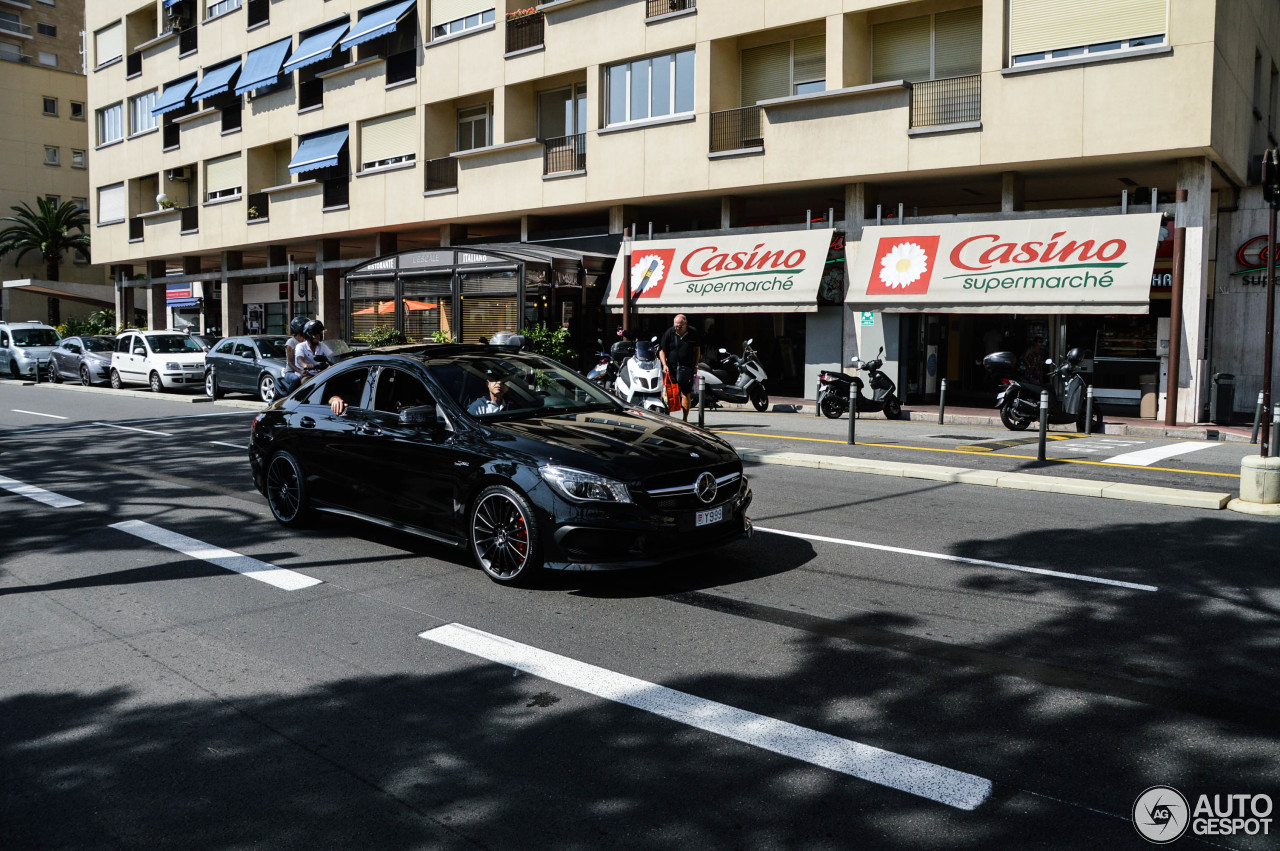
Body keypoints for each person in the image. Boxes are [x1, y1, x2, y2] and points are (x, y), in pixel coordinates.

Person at [659, 313, 701, 422]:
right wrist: (664, 364)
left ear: (686, 324)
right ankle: (668, 418)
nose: (677, 328)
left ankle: (685, 419)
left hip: (687, 367)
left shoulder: (693, 332)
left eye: (680, 326)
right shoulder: (670, 332)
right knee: (670, 393)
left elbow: (697, 350)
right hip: (672, 368)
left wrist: (696, 365)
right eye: (675, 325)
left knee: (686, 393)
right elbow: (662, 351)